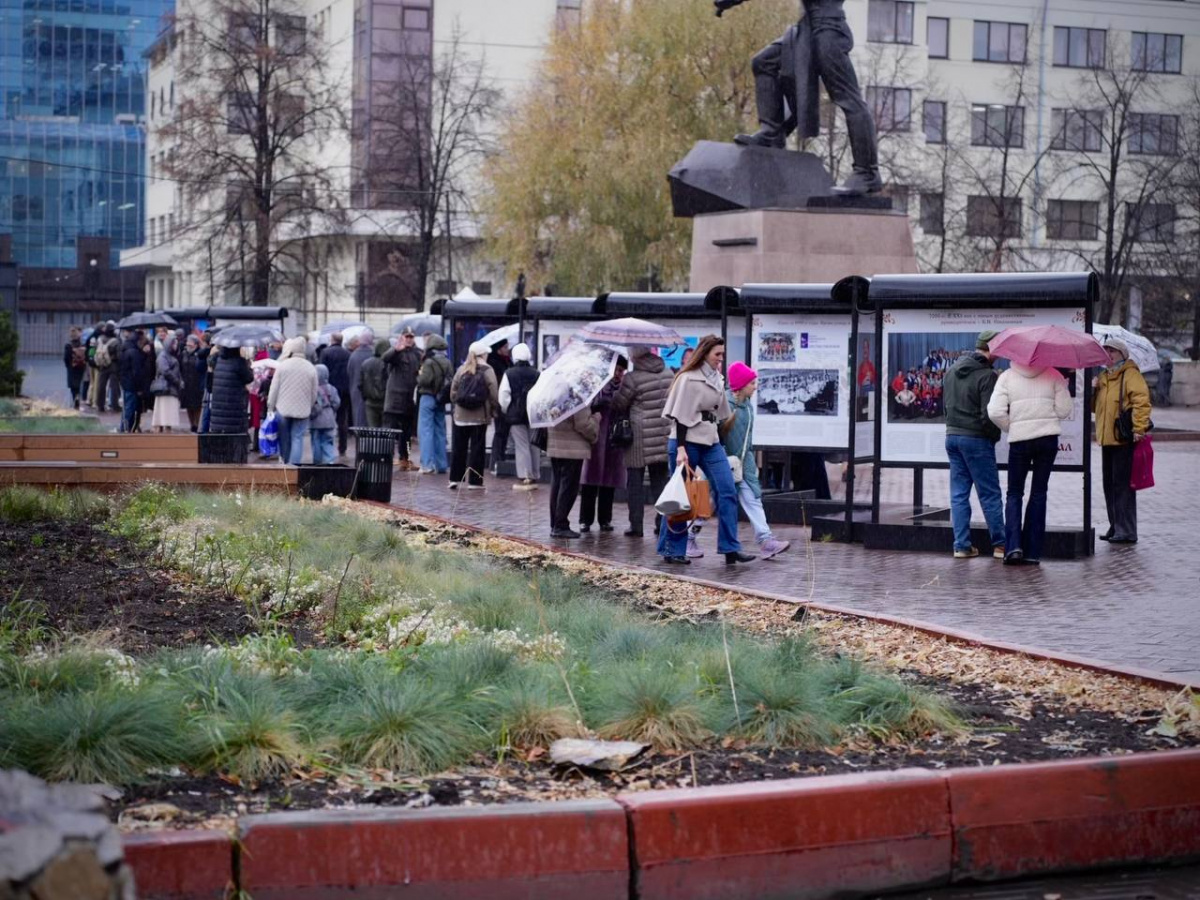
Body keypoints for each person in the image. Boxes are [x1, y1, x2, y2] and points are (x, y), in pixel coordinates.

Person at [727, 0, 881, 195]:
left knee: (849, 99)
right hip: (806, 31)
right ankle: (772, 132)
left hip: (829, 30)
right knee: (763, 61)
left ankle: (867, 172)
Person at [659, 335, 755, 566]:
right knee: (680, 496)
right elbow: (679, 416)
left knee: (728, 489)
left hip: (710, 440)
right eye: (717, 355)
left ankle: (730, 548)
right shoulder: (687, 379)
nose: (720, 359)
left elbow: (721, 415)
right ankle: (672, 549)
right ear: (705, 353)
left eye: (722, 355)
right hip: (686, 440)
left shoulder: (717, 379)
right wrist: (681, 448)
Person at [987, 362, 1072, 565]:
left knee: (1014, 493)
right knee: (1039, 492)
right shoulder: (1053, 374)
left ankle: (1013, 547)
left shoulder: (1007, 376)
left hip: (1019, 440)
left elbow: (994, 411)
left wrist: (1013, 427)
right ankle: (1033, 551)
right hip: (1047, 439)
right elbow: (1063, 410)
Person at [943, 330, 1005, 560]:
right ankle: (1000, 545)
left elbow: (945, 407)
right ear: (992, 349)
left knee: (959, 494)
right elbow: (988, 415)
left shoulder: (951, 371)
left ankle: (961, 546)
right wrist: (992, 436)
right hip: (976, 439)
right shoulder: (987, 376)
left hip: (952, 437)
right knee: (989, 493)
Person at [723, 362, 790, 559]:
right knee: (710, 502)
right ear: (741, 385)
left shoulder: (747, 406)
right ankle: (690, 535)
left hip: (742, 463)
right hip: (726, 462)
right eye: (752, 383)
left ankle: (766, 540)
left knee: (753, 498)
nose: (755, 386)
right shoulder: (726, 405)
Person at [1092, 337, 1151, 545]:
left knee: (1123, 486)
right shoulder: (1103, 376)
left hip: (1124, 438)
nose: (1108, 354)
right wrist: (1094, 389)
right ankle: (1115, 525)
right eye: (1106, 351)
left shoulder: (1130, 374)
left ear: (1122, 355)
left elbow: (1141, 402)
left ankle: (1126, 530)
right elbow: (1095, 408)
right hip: (1107, 438)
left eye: (1112, 351)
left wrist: (1139, 428)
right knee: (1110, 485)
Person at [612, 345, 674, 537]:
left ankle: (636, 526)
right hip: (662, 433)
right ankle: (662, 522)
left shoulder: (632, 378)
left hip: (637, 437)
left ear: (635, 355)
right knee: (660, 482)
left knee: (635, 483)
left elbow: (619, 404)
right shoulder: (668, 372)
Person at [579, 358, 628, 531]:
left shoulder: (624, 387)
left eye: (621, 370)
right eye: (616, 369)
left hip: (614, 439)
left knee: (609, 480)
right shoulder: (596, 385)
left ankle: (605, 519)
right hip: (596, 436)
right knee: (590, 479)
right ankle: (585, 519)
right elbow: (588, 406)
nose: (618, 373)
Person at [448, 341, 499, 489]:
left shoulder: (462, 369)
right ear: (483, 354)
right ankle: (475, 482)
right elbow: (494, 393)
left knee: (459, 448)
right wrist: (494, 408)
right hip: (479, 415)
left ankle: (454, 479)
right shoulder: (488, 370)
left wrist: (459, 404)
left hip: (460, 416)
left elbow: (453, 392)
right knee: (477, 449)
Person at [547, 405, 600, 539]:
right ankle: (560, 524)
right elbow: (583, 424)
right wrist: (596, 419)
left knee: (557, 485)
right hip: (572, 448)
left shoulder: (553, 394)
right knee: (568, 487)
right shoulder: (575, 395)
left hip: (556, 445)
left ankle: (556, 522)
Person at [267, 336, 319, 465]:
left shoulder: (283, 366)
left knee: (284, 438)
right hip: (303, 410)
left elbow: (274, 389)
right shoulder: (311, 368)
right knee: (297, 438)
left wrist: (270, 406)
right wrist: (309, 405)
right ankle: (294, 467)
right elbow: (314, 392)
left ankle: (284, 462)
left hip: (283, 408)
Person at [497, 342, 540, 489]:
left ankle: (525, 476)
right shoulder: (536, 373)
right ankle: (535, 474)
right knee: (534, 445)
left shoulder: (509, 373)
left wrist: (506, 409)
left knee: (521, 446)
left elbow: (503, 396)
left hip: (515, 415)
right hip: (533, 414)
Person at [382, 327, 422, 469]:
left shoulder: (417, 353)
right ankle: (385, 458)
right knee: (389, 432)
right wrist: (396, 349)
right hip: (394, 400)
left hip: (408, 399)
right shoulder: (396, 353)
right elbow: (385, 358)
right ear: (402, 337)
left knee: (406, 434)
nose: (409, 339)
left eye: (411, 336)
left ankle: (405, 459)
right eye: (407, 336)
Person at [415, 333, 452, 475]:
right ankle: (441, 464)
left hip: (428, 397)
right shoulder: (447, 361)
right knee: (440, 432)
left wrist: (418, 375)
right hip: (441, 399)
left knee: (425, 431)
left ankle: (427, 464)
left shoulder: (429, 362)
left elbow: (423, 381)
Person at [319, 332, 352, 457]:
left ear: (332, 340)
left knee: (328, 418)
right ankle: (342, 447)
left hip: (328, 390)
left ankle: (329, 446)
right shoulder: (348, 354)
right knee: (342, 419)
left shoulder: (325, 352)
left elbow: (322, 370)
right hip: (344, 389)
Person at [210, 345, 254, 436]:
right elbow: (249, 378)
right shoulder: (239, 362)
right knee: (234, 437)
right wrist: (248, 364)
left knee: (220, 436)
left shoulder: (218, 359)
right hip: (234, 406)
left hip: (218, 405)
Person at [488, 339, 513, 476]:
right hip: (499, 402)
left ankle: (499, 460)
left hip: (506, 402)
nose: (507, 349)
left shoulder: (507, 361)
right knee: (500, 433)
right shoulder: (495, 363)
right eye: (505, 347)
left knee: (503, 433)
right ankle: (496, 462)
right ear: (499, 349)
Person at [150, 334, 184, 433]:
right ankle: (163, 429)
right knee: (164, 410)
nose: (176, 346)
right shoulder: (163, 356)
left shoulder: (170, 355)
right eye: (174, 344)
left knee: (167, 410)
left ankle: (165, 428)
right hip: (166, 387)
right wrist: (177, 381)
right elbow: (165, 371)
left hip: (170, 387)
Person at [310, 364, 341, 465]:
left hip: (315, 421)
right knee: (328, 441)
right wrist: (331, 410)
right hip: (329, 420)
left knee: (316, 442)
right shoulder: (331, 388)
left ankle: (317, 463)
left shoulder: (313, 389)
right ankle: (329, 461)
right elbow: (337, 402)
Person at [116, 329, 144, 433]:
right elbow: (136, 372)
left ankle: (124, 426)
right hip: (132, 384)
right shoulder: (134, 352)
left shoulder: (124, 349)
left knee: (126, 406)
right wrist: (139, 387)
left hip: (125, 382)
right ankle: (125, 428)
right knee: (130, 407)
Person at [346, 331, 375, 428]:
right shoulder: (373, 354)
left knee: (358, 413)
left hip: (355, 388)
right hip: (372, 389)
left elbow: (349, 371)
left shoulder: (354, 355)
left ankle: (359, 436)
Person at [359, 339, 389, 428]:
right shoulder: (388, 363)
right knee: (386, 430)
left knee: (372, 430)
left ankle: (374, 442)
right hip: (385, 401)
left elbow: (360, 383)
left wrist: (365, 397)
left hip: (370, 401)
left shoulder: (365, 363)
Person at [179, 335, 206, 433]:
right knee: (188, 405)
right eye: (187, 342)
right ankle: (192, 425)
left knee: (197, 405)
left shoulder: (200, 353)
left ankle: (197, 424)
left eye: (190, 342)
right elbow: (180, 367)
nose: (188, 344)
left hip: (197, 382)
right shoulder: (184, 353)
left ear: (195, 344)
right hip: (186, 383)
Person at [93, 323, 122, 413]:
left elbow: (95, 350)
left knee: (101, 385)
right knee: (114, 386)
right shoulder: (116, 341)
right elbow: (119, 355)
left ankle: (100, 405)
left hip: (102, 365)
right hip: (113, 365)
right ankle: (114, 405)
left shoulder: (100, 339)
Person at [63, 327, 86, 408]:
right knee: (78, 385)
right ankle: (77, 402)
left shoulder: (68, 345)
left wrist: (68, 366)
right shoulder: (82, 345)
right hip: (81, 367)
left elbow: (66, 358)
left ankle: (74, 403)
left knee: (73, 386)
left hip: (72, 368)